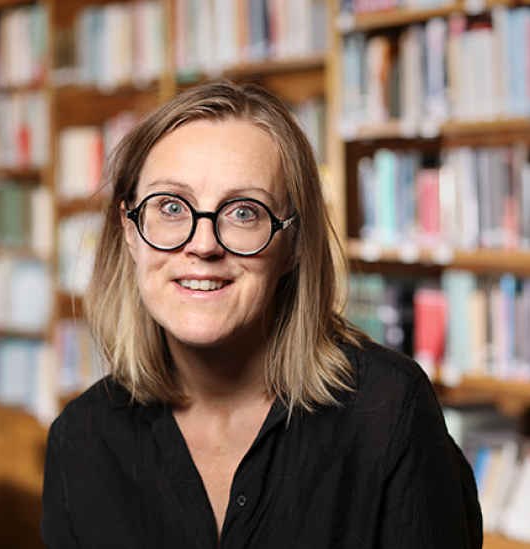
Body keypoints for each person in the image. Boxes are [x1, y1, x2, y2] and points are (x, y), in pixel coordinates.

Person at [41, 79, 482, 549]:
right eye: (170, 206)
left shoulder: (389, 409)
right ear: (130, 229)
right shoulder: (80, 441)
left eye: (244, 212)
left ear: (293, 243)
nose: (203, 244)